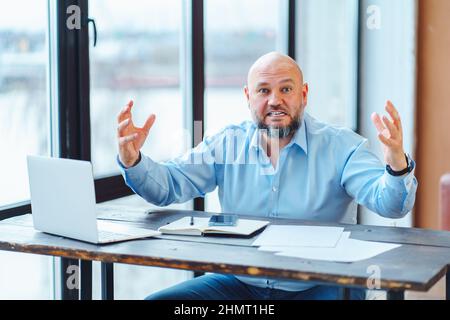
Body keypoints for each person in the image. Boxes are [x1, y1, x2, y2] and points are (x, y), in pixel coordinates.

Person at [116, 52, 417, 300]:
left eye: (286, 89)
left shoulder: (342, 146)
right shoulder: (226, 143)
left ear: (304, 94)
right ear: (248, 96)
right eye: (263, 90)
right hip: (238, 285)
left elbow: (391, 204)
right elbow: (168, 185)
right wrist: (134, 160)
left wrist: (396, 165)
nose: (275, 100)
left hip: (319, 285)